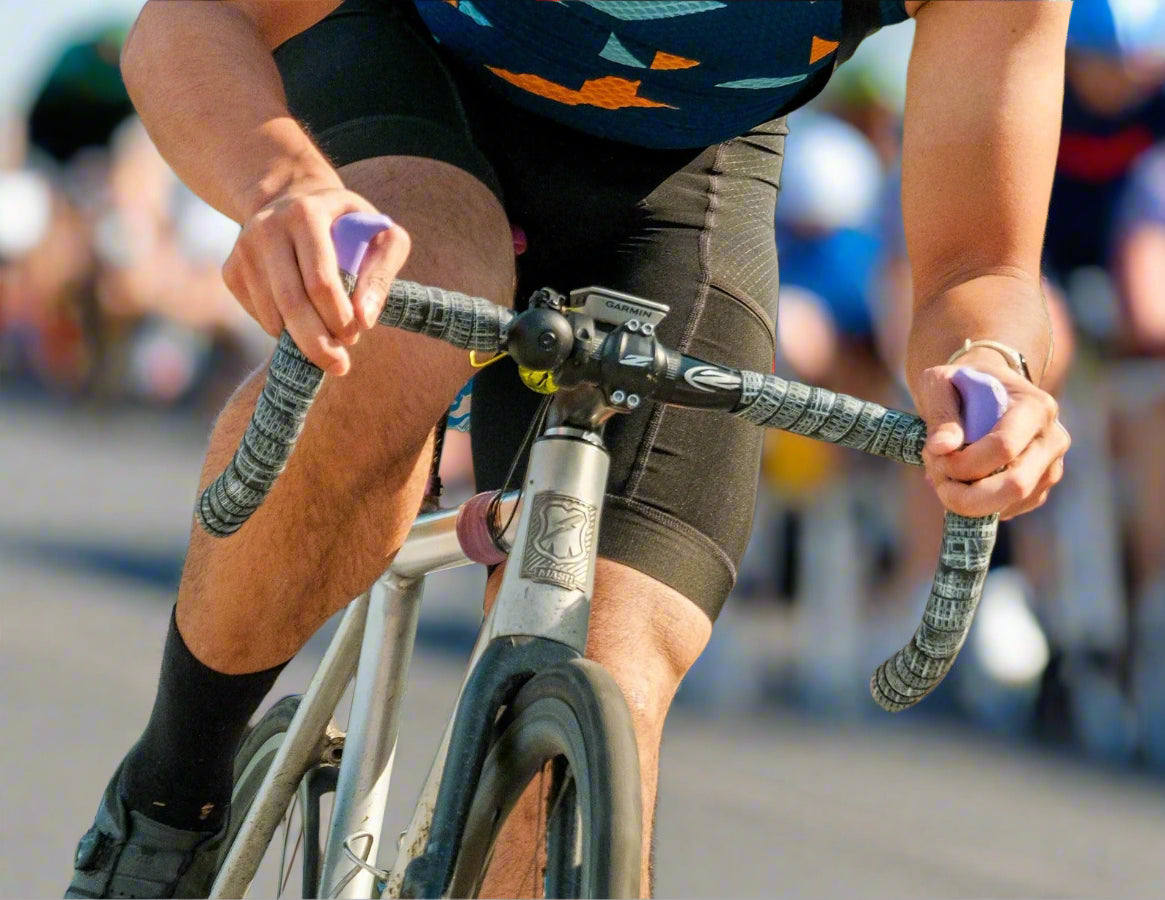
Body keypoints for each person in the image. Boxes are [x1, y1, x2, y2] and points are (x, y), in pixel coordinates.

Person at [66, 2, 1072, 897]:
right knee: (416, 299)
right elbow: (192, 20)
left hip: (681, 166)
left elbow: (978, 266)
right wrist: (280, 188)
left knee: (613, 664)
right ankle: (168, 804)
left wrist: (991, 369)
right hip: (401, 57)